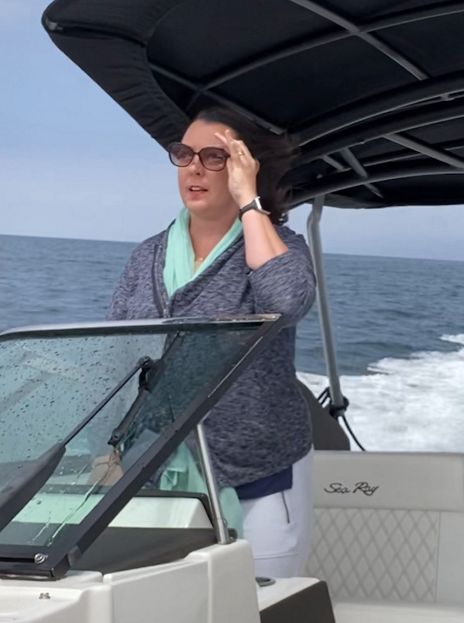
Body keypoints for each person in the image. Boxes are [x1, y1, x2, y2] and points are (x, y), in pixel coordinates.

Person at [105, 106, 317, 579]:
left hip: (258, 474)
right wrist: (114, 444)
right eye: (184, 154)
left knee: (261, 606)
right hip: (157, 476)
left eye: (214, 157)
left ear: (246, 167)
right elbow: (118, 358)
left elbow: (286, 302)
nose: (194, 168)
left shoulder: (282, 246)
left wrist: (249, 204)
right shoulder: (147, 256)